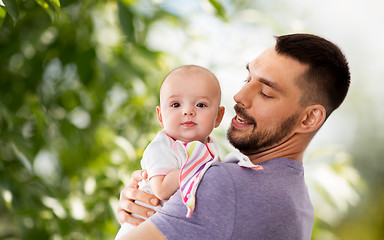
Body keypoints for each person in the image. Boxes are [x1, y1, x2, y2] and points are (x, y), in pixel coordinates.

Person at [116, 33, 351, 240]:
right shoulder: (300, 204)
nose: (239, 96)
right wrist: (153, 210)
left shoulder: (223, 183)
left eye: (266, 92)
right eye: (247, 79)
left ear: (309, 118)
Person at [115, 65, 225, 239]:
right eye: (175, 104)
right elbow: (162, 189)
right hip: (142, 226)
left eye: (201, 104)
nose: (188, 111)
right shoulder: (162, 147)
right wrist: (197, 173)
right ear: (160, 117)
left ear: (218, 117)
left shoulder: (210, 148)